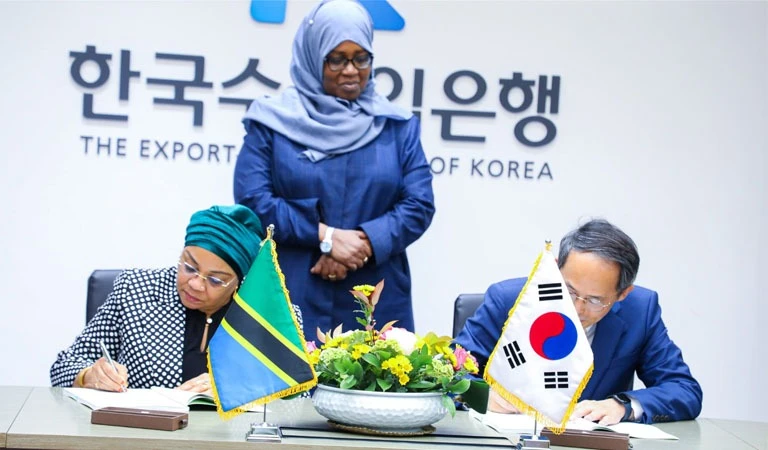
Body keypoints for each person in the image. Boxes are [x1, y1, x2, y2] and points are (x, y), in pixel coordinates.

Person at [234, 0, 435, 340]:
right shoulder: (271, 122)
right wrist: (326, 238)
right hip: (290, 285)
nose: (351, 70)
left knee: (376, 386)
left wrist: (361, 243)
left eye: (361, 58)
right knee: (286, 390)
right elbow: (254, 200)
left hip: (376, 292)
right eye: (337, 59)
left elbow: (419, 205)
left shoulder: (396, 126)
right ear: (313, 56)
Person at [455, 219, 702, 424]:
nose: (577, 308)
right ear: (554, 270)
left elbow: (684, 389)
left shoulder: (640, 311)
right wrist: (480, 395)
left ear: (622, 294)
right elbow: (449, 370)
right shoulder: (508, 301)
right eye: (568, 291)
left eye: (595, 300)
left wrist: (623, 405)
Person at [50, 204, 291, 393]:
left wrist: (235, 390)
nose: (196, 284)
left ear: (240, 281)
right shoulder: (134, 290)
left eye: (215, 280)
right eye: (189, 267)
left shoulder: (268, 313)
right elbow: (63, 366)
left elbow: (296, 395)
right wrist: (88, 376)